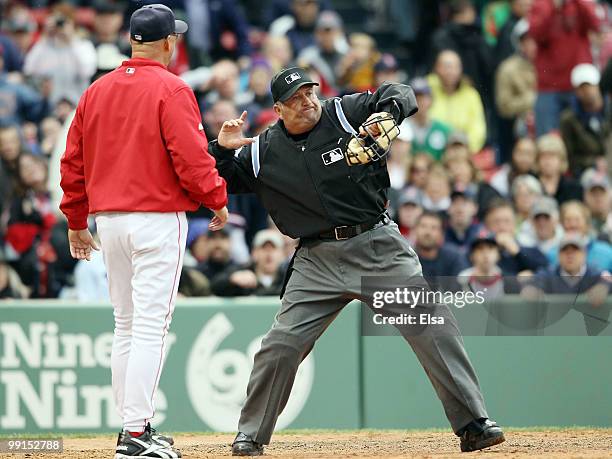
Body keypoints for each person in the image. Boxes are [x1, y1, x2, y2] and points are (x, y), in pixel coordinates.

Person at [209, 66, 505, 455]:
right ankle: (250, 434)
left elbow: (399, 91)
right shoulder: (264, 150)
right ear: (279, 109)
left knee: (430, 324)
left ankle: (473, 423)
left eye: (310, 92)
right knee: (280, 344)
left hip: (376, 243)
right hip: (316, 259)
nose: (308, 101)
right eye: (296, 98)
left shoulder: (344, 112)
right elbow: (219, 179)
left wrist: (389, 114)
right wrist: (222, 147)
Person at [59, 5, 229, 458]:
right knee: (151, 327)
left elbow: (71, 163)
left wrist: (77, 221)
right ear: (169, 42)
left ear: (134, 41)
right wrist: (216, 197)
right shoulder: (172, 88)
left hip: (109, 222)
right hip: (156, 219)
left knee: (127, 326)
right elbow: (191, 160)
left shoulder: (96, 90)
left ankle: (132, 428)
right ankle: (136, 436)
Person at [528, 0, 600, 136]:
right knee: (547, 141)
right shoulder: (541, 4)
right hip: (548, 87)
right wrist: (553, 7)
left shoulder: (579, 4)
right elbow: (536, 33)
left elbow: (595, 23)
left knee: (583, 138)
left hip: (579, 85)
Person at [427, 49, 487, 153]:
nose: (451, 71)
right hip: (430, 150)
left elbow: (478, 129)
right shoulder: (426, 90)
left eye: (455, 67)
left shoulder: (471, 95)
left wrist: (466, 150)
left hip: (462, 151)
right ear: (436, 68)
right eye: (447, 66)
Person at [560, 63, 610, 174]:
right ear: (576, 91)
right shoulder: (569, 119)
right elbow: (570, 157)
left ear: (598, 85)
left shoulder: (609, 111)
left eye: (590, 86)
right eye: (581, 88)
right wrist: (592, 163)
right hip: (587, 172)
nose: (587, 91)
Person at [211, 229, 286, 296]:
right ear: (254, 253)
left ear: (282, 254)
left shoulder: (288, 276)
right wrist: (232, 279)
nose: (269, 253)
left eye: (273, 248)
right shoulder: (244, 270)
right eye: (264, 248)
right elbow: (215, 286)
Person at [483, 199, 549, 275]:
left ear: (514, 224)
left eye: (507, 221)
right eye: (496, 222)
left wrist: (518, 252)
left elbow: (546, 269)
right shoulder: (478, 249)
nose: (502, 227)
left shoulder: (528, 246)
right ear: (487, 225)